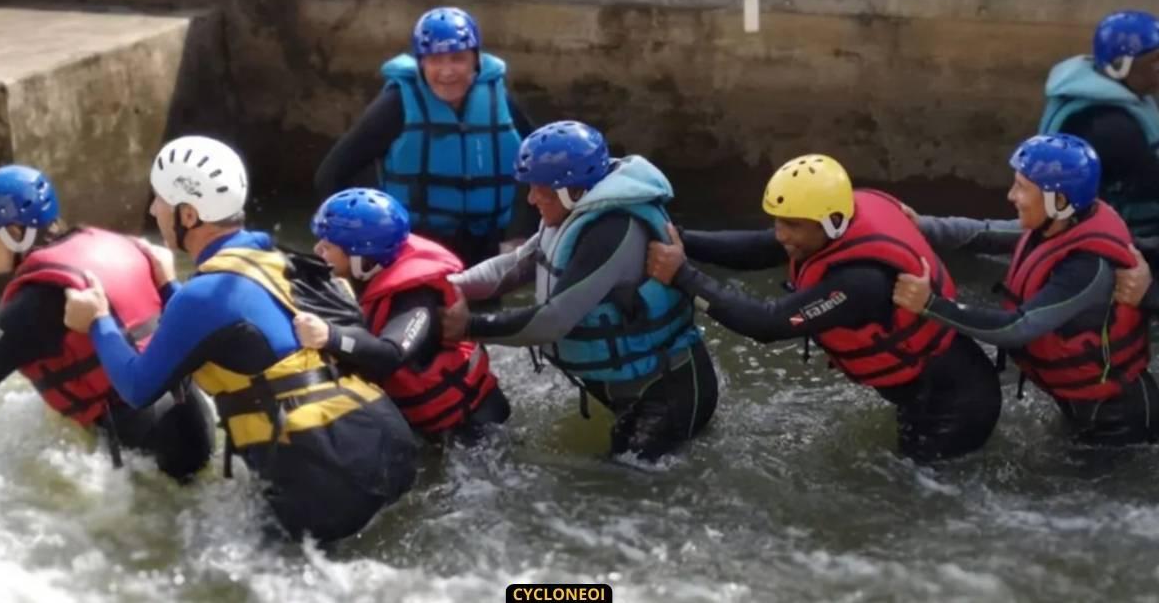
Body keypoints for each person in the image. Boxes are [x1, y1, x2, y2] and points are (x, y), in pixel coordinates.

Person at [63, 136, 417, 542]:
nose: (151, 210)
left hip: (328, 476)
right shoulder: (272, 256)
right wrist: (168, 285)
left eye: (159, 200)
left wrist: (98, 320)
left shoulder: (203, 296)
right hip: (386, 442)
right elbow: (241, 324)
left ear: (189, 214)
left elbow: (136, 387)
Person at [645, 154, 1003, 462]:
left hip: (956, 408)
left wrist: (685, 277)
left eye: (791, 225)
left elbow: (768, 323)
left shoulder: (861, 282)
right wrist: (679, 238)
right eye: (777, 220)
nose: (780, 233)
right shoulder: (830, 224)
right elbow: (758, 247)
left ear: (832, 222)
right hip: (932, 389)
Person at [441, 121, 718, 461]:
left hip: (669, 394)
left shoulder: (613, 230)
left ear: (572, 190)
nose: (530, 198)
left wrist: (468, 326)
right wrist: (446, 285)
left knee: (617, 490)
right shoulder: (571, 212)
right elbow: (511, 267)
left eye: (539, 188)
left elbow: (554, 321)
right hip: (631, 387)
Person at [894, 134, 1156, 445]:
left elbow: (1019, 327)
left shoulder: (1086, 266)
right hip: (1085, 403)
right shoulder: (1058, 225)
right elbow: (984, 233)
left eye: (1022, 187)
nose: (1011, 195)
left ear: (1058, 202)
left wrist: (932, 305)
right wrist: (922, 225)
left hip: (1119, 417)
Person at [0, 165, 214, 481]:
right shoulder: (120, 245)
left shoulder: (34, 305)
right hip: (196, 420)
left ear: (12, 232)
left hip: (150, 450)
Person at [314, 6, 538, 266]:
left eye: (457, 58)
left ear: (476, 60)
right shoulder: (397, 104)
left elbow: (542, 170)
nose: (447, 71)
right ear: (421, 63)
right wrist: (351, 239)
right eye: (435, 60)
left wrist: (520, 234)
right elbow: (331, 174)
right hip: (415, 249)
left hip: (486, 249)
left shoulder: (498, 102)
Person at [293, 187, 510, 441]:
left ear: (362, 258)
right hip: (418, 425)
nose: (317, 249)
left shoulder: (416, 300)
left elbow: (391, 354)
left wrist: (330, 336)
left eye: (327, 246)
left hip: (472, 430)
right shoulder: (367, 275)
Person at [1039, 10, 1159, 240]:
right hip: (1121, 240)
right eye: (1155, 60)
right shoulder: (1108, 125)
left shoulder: (1113, 97)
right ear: (1119, 64)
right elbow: (1150, 183)